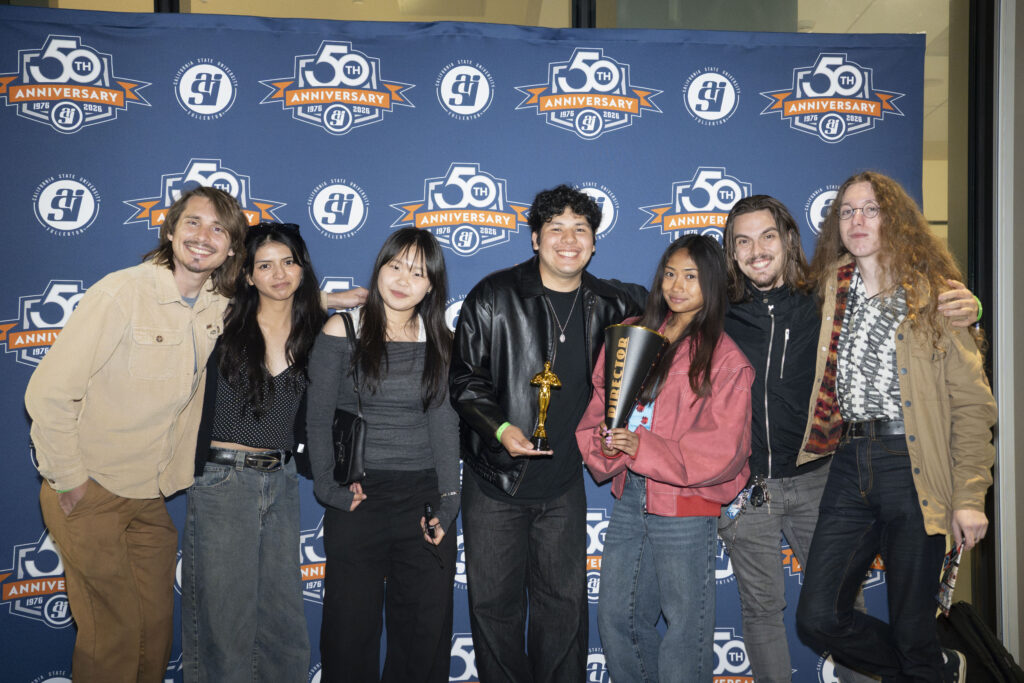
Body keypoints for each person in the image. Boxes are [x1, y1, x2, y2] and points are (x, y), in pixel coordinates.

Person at [718, 194, 980, 683]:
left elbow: (901, 290)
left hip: (823, 477)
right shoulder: (718, 312)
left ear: (788, 241)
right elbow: (660, 306)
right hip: (749, 489)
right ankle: (927, 665)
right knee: (771, 613)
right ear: (731, 253)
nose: (757, 250)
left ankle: (922, 665)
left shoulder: (824, 296)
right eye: (743, 241)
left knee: (846, 608)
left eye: (768, 236)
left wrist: (973, 304)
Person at [24, 186, 247, 682]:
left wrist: (328, 297)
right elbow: (48, 394)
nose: (203, 236)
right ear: (170, 230)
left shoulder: (218, 304)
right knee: (114, 635)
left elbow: (279, 304)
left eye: (219, 229)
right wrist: (70, 481)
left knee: (153, 632)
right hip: (92, 490)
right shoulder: (121, 293)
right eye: (192, 223)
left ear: (232, 248)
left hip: (150, 496)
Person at [795, 171, 996, 682]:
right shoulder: (828, 288)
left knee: (911, 628)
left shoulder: (936, 297)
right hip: (848, 462)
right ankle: (932, 667)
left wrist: (971, 496)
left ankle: (922, 661)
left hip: (914, 466)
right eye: (847, 211)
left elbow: (974, 407)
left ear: (895, 219)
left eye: (871, 209)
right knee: (818, 618)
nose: (858, 220)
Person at [449, 184, 646, 682]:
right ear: (535, 238)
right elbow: (465, 380)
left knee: (563, 612)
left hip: (562, 485)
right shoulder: (494, 296)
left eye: (581, 229)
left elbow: (679, 312)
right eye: (555, 228)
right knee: (494, 610)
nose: (568, 239)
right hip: (495, 479)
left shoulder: (613, 303)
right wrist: (500, 428)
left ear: (595, 243)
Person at [576, 234, 753, 682]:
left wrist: (645, 448)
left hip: (685, 504)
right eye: (670, 273)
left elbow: (725, 448)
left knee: (685, 630)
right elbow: (602, 401)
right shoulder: (635, 333)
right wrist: (606, 441)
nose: (677, 285)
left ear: (711, 284)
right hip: (632, 494)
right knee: (617, 619)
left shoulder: (724, 356)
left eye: (691, 276)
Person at [306, 227, 460, 683]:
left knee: (422, 632)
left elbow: (444, 421)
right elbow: (317, 419)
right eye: (395, 266)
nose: (402, 279)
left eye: (417, 272)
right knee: (349, 633)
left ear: (431, 285)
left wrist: (449, 500)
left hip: (423, 497)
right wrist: (327, 489)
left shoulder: (442, 341)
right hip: (359, 497)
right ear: (379, 268)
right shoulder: (343, 327)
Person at [181, 222, 326, 682]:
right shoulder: (220, 322)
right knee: (224, 620)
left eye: (288, 262)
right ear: (247, 275)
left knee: (283, 621)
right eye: (264, 265)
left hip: (282, 481)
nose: (279, 274)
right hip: (223, 481)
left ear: (302, 268)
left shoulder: (319, 333)